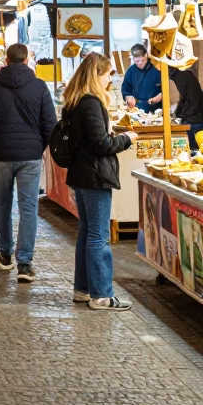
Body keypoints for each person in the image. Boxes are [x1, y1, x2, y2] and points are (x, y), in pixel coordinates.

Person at [0, 43, 57, 282]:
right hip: (30, 155)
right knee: (28, 207)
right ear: (27, 60)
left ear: (6, 60)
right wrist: (38, 145)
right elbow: (50, 124)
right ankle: (25, 263)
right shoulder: (39, 86)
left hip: (1, 154)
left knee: (3, 203)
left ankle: (4, 252)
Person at [62, 53, 137, 311]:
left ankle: (83, 289)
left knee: (87, 232)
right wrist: (126, 139)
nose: (109, 80)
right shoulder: (91, 103)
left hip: (81, 173)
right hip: (94, 175)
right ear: (96, 75)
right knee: (98, 235)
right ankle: (102, 295)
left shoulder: (74, 101)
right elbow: (101, 144)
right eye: (107, 75)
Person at [168, 64, 203, 150]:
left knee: (194, 150)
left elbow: (193, 100)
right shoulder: (182, 75)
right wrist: (177, 113)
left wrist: (180, 115)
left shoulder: (180, 76)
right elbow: (185, 98)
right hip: (195, 118)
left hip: (194, 121)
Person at [121, 44, 162, 112]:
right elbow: (126, 88)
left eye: (143, 60)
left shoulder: (156, 69)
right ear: (133, 59)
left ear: (146, 56)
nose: (140, 63)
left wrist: (161, 95)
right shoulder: (131, 71)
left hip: (157, 108)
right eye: (137, 61)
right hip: (138, 109)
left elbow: (167, 88)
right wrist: (128, 97)